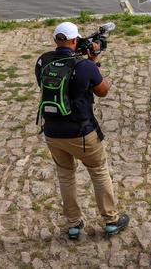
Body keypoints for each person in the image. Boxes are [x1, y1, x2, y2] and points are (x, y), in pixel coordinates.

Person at [35, 22, 130, 240]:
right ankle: (111, 220)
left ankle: (74, 224)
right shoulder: (84, 66)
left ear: (55, 40)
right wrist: (93, 61)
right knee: (98, 171)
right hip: (81, 132)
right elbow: (103, 91)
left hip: (52, 131)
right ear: (75, 40)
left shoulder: (42, 61)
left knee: (65, 175)